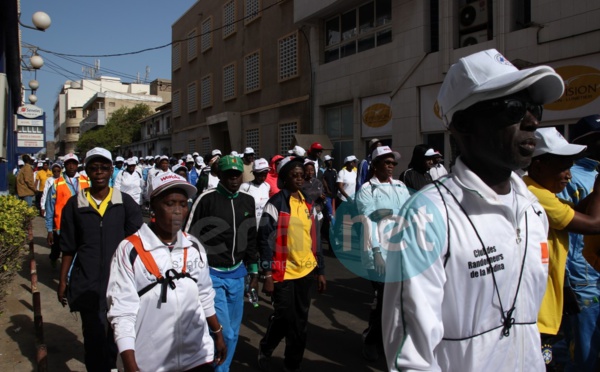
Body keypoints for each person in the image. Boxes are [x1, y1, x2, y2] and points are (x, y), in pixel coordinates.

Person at [382, 48, 565, 371]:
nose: (532, 120)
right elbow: (410, 358)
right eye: (513, 108)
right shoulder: (427, 216)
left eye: (534, 108)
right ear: (464, 124)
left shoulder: (533, 210)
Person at [107, 173, 226, 372]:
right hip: (151, 363)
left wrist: (218, 333)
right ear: (153, 205)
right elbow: (122, 312)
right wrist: (130, 364)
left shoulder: (193, 246)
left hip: (197, 357)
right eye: (170, 204)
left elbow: (204, 295)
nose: (178, 211)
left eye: (183, 204)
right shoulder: (130, 250)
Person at [57, 147, 143, 372]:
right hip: (88, 283)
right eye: (94, 168)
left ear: (111, 170)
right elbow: (68, 247)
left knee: (117, 336)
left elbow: (138, 242)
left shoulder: (124, 203)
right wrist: (63, 279)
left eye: (104, 167)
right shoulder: (75, 205)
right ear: (87, 171)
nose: (99, 172)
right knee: (94, 338)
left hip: (120, 283)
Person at [523, 127, 600, 364]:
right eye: (562, 167)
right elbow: (594, 224)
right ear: (538, 165)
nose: (568, 175)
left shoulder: (540, 190)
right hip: (538, 309)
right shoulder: (536, 194)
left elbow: (573, 213)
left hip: (549, 301)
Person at [184, 155, 259, 372]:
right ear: (220, 175)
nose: (234, 179)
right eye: (229, 175)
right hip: (211, 274)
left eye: (237, 175)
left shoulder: (248, 201)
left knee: (234, 332)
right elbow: (188, 235)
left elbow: (251, 237)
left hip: (238, 274)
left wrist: (254, 272)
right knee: (223, 331)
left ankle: (221, 369)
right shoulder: (206, 199)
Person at [257, 156, 326, 372]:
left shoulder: (308, 203)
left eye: (301, 175)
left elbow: (315, 238)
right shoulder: (276, 203)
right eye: (294, 175)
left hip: (305, 271)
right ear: (284, 179)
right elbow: (264, 238)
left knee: (300, 322)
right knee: (284, 317)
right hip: (282, 273)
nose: (299, 178)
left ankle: (292, 363)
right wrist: (267, 274)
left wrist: (320, 270)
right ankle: (266, 347)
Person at [355, 146, 410, 362]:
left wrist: (389, 213)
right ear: (375, 165)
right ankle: (371, 340)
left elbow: (409, 212)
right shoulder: (367, 190)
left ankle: (392, 342)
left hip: (401, 251)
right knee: (383, 301)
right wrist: (377, 252)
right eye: (386, 162)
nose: (390, 166)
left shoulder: (400, 185)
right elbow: (369, 221)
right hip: (378, 253)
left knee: (400, 301)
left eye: (393, 163)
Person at [557, 114, 600, 371]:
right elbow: (563, 229)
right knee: (582, 354)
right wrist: (567, 280)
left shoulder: (595, 172)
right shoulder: (567, 176)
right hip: (581, 278)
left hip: (594, 272)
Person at [45, 153, 91, 268]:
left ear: (77, 165)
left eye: (74, 164)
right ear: (64, 165)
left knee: (77, 253)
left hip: (82, 225)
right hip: (62, 226)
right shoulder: (56, 184)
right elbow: (50, 207)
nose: (71, 166)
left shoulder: (87, 181)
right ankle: (54, 259)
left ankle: (70, 278)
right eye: (68, 164)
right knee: (58, 250)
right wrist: (50, 229)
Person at [240, 158, 271, 229]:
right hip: (251, 226)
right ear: (254, 173)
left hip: (264, 225)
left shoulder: (267, 186)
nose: (263, 178)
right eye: (260, 175)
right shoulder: (245, 187)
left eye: (265, 174)